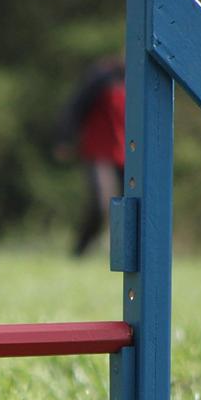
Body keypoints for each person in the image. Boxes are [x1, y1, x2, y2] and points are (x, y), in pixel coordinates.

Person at [54, 56, 126, 257]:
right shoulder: (102, 76)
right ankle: (80, 251)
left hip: (127, 154)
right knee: (101, 204)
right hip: (99, 152)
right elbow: (75, 106)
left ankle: (125, 255)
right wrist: (64, 138)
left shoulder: (142, 80)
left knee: (133, 208)